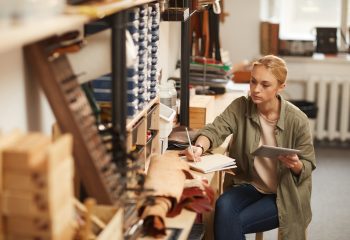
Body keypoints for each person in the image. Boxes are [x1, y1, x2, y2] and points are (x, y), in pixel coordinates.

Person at [183, 55, 316, 240]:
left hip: (283, 194)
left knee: (228, 222)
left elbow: (308, 165)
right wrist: (198, 146)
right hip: (250, 186)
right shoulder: (241, 106)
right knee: (223, 205)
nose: (256, 89)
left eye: (265, 84)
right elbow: (215, 129)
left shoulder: (298, 120)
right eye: (253, 82)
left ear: (281, 87)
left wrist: (296, 165)